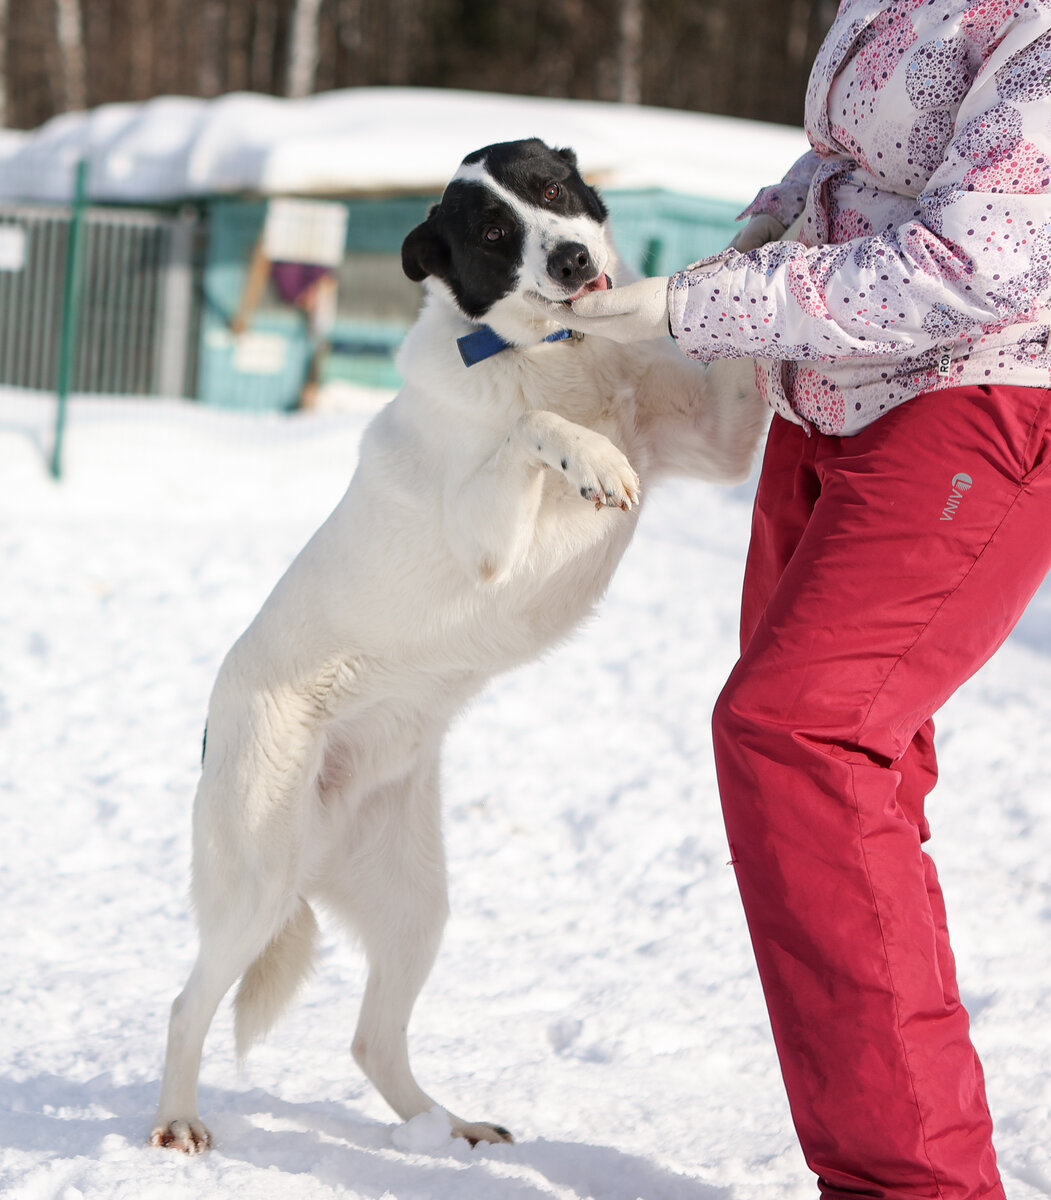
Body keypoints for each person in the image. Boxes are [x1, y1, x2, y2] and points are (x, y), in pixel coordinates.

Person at [544, 2, 1051, 1196]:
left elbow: (981, 260)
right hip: (826, 395)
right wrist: (769, 220)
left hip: (977, 394)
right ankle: (896, 1148)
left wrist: (697, 310)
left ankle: (912, 1185)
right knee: (836, 778)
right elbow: (854, 146)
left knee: (800, 737)